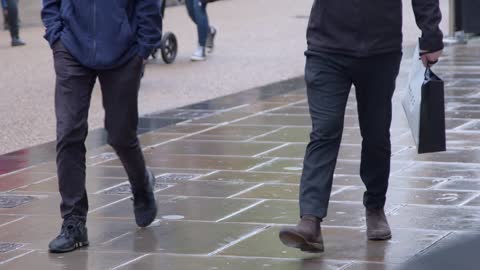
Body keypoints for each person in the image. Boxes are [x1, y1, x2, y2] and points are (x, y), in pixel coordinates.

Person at [279, 0, 444, 253]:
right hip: (326, 46)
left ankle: (375, 208)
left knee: (376, 133)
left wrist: (430, 34)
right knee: (324, 131)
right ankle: (310, 220)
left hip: (380, 49)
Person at [41, 0, 162, 253]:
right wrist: (55, 34)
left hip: (125, 52)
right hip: (70, 47)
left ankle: (141, 184)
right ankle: (73, 223)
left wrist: (143, 46)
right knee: (68, 132)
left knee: (120, 135)